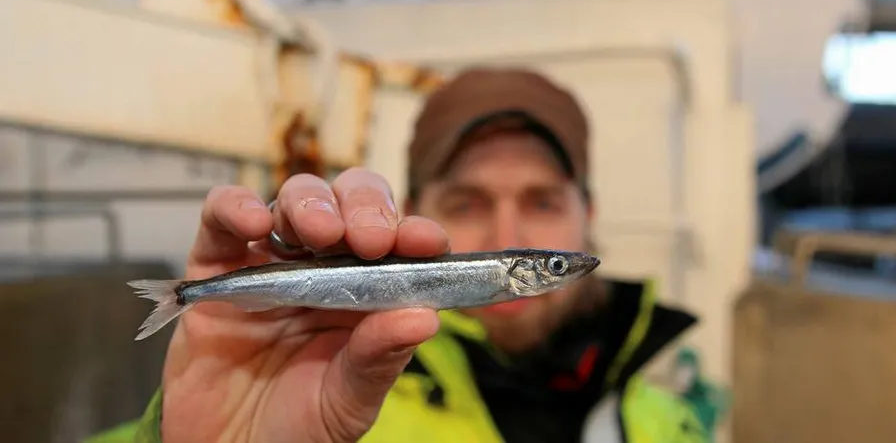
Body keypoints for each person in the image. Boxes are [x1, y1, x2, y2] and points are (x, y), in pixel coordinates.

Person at [87, 67, 708, 443]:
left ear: (588, 215)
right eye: (467, 201)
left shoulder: (668, 421)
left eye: (542, 200)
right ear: (414, 208)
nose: (504, 229)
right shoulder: (336, 378)